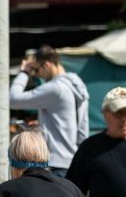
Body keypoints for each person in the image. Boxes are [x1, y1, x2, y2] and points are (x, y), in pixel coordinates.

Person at [9, 46, 90, 177]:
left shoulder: (55, 88)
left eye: (36, 69)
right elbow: (80, 128)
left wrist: (24, 72)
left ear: (47, 65)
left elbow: (13, 100)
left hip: (55, 163)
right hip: (72, 161)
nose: (36, 74)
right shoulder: (78, 87)